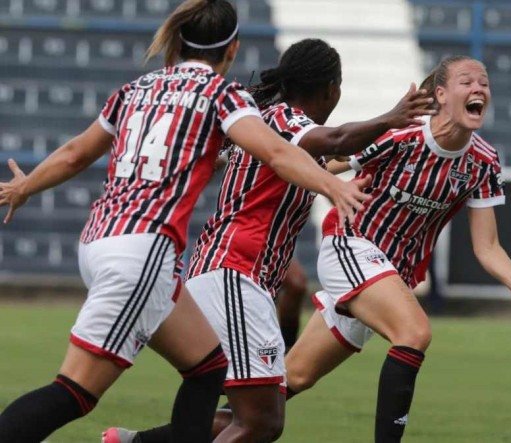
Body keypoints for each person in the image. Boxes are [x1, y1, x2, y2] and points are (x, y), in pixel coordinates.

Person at [0, 2, 369, 441]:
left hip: (102, 240)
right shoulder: (220, 95)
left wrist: (26, 187)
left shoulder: (135, 90)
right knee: (75, 391)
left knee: (206, 370)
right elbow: (276, 152)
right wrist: (332, 187)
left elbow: (75, 153)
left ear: (179, 42)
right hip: (144, 251)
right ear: (231, 49)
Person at [102, 38, 436, 443]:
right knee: (262, 423)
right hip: (234, 274)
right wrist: (392, 118)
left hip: (233, 274)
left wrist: (350, 176)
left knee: (248, 416)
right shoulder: (284, 121)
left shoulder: (268, 122)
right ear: (333, 89)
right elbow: (336, 140)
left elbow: (329, 155)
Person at [280, 55, 511, 443]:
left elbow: (488, 246)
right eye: (467, 81)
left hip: (389, 277)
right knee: (414, 331)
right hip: (350, 247)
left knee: (291, 380)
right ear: (440, 94)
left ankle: (195, 428)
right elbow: (326, 169)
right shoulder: (400, 136)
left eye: (485, 83)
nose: (479, 88)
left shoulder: (484, 162)